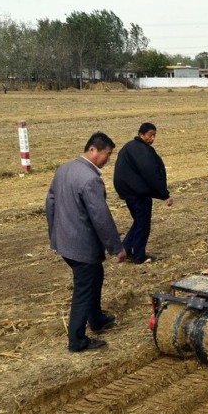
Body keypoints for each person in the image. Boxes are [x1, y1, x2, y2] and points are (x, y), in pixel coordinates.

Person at [46, 133, 127, 353]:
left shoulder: (64, 169)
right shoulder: (90, 179)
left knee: (95, 276)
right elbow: (101, 217)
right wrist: (116, 247)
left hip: (64, 241)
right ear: (93, 150)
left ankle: (97, 319)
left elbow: (50, 201)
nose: (108, 159)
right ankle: (77, 339)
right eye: (107, 154)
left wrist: (54, 232)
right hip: (81, 245)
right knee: (85, 286)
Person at [113, 122, 173, 264]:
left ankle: (126, 249)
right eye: (149, 135)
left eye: (154, 136)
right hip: (138, 194)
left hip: (128, 192)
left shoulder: (129, 147)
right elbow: (151, 173)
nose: (152, 139)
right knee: (143, 224)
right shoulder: (142, 151)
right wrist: (164, 194)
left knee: (139, 221)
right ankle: (139, 256)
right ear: (141, 134)